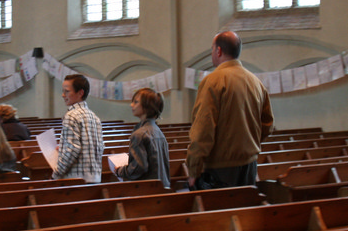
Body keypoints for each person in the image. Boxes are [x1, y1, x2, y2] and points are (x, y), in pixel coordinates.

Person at [186, 31, 274, 189]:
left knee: (221, 206)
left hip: (221, 168)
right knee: (245, 204)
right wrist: (248, 144)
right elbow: (267, 124)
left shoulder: (213, 81)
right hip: (249, 165)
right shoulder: (256, 82)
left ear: (218, 51)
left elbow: (203, 130)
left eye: (212, 49)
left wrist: (194, 169)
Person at [114, 88, 171, 189]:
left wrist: (120, 171)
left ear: (147, 107)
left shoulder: (139, 135)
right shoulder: (158, 131)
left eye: (136, 102)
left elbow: (139, 167)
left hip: (147, 190)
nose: (131, 105)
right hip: (163, 187)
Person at [53, 73, 104, 183]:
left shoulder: (71, 116)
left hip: (75, 180)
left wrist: (56, 173)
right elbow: (99, 148)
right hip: (94, 178)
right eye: (63, 91)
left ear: (80, 93)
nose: (63, 95)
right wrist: (62, 147)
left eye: (67, 91)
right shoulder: (94, 117)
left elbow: (72, 149)